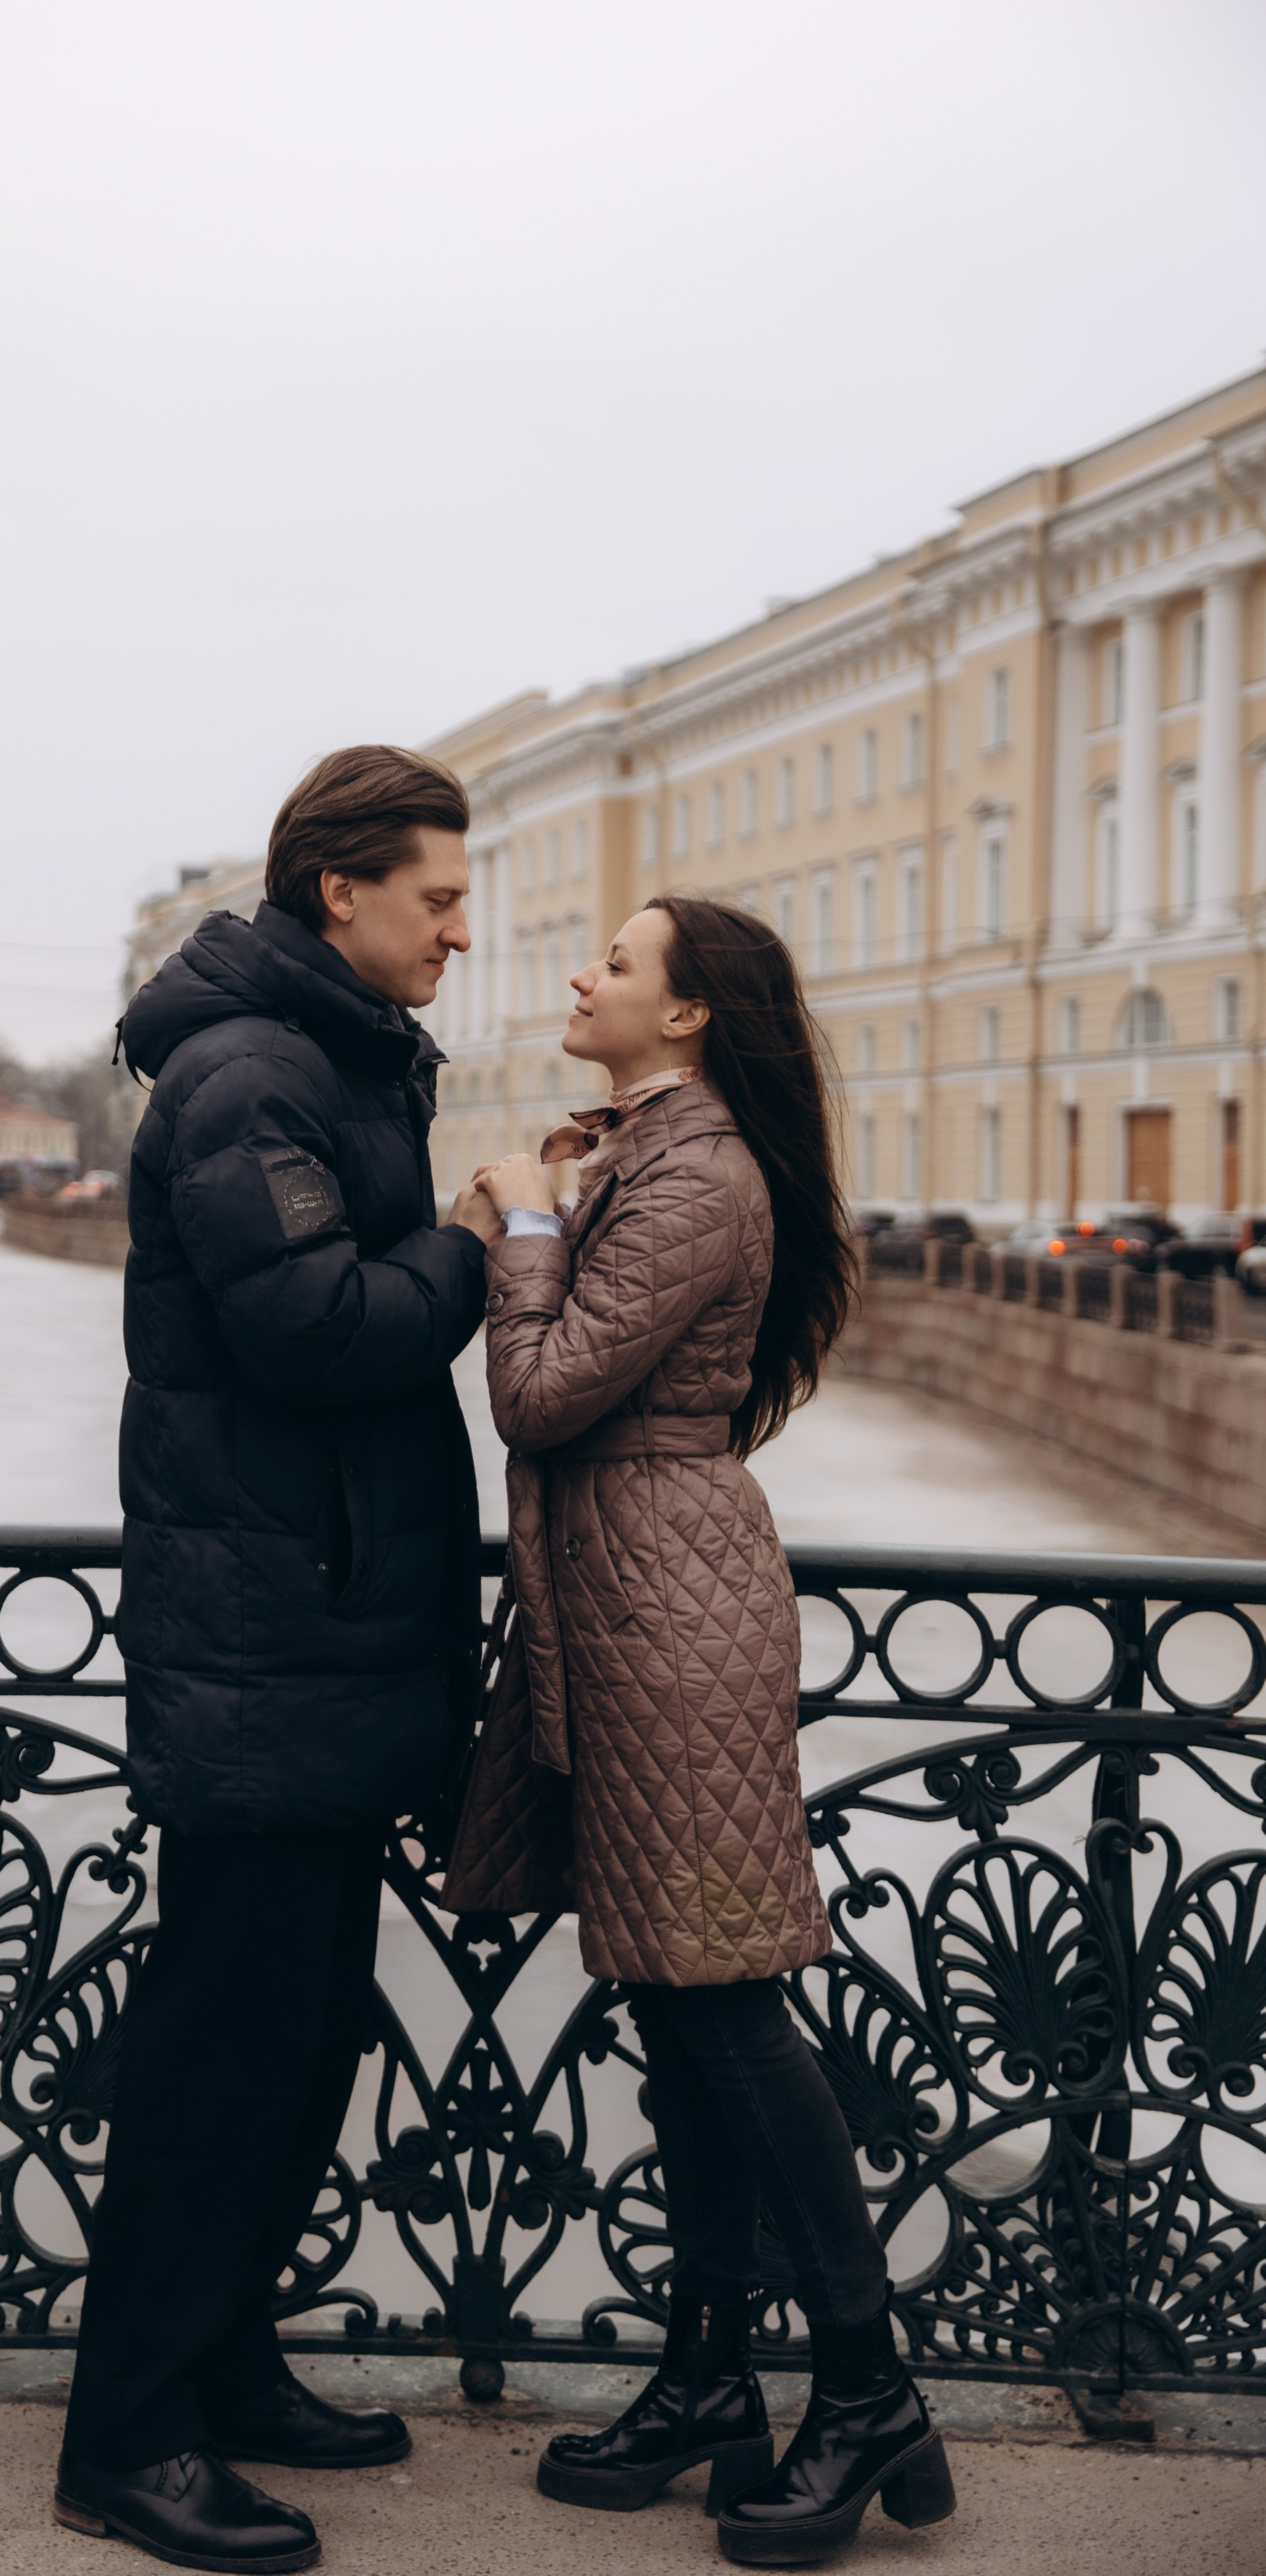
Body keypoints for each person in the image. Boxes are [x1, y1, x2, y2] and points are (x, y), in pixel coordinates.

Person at [445, 896, 955, 2568]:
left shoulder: (700, 1169)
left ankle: (869, 2389)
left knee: (728, 2009)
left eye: (614, 959)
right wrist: (574, 1184)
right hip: (630, 1597)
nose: (581, 974)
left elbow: (539, 1394)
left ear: (682, 1018)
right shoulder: (665, 1153)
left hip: (669, 1616)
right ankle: (709, 2381)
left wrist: (526, 1226)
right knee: (673, 2015)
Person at [55, 746, 498, 2573]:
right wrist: (477, 1243)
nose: (465, 932)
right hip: (261, 1645)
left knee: (303, 2036)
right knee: (219, 2060)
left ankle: (227, 2364)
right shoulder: (253, 1076)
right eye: (439, 898)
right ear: (342, 892)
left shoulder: (329, 1062)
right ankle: (128, 2432)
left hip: (316, 1636)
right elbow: (318, 1332)